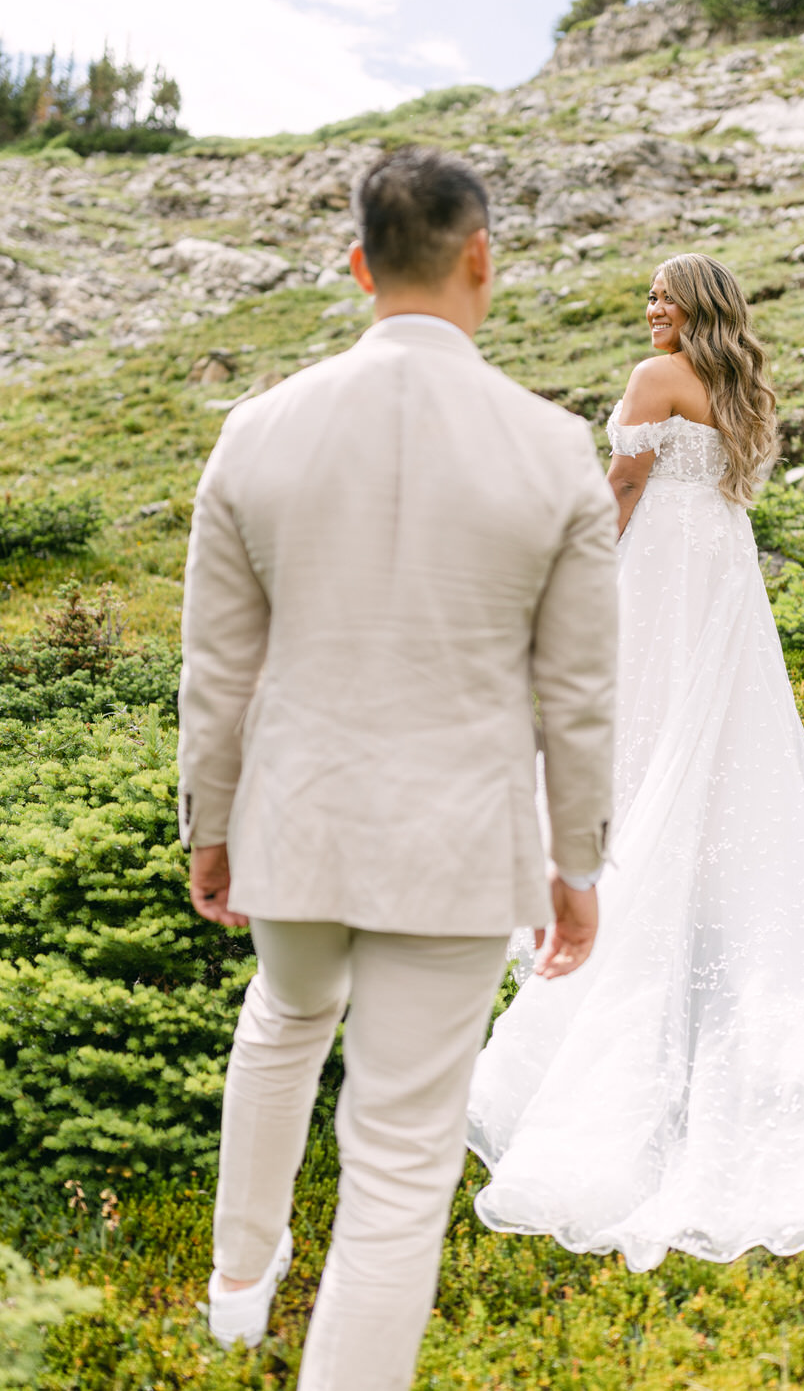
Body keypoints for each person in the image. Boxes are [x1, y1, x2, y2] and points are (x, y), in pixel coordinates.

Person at [177, 145, 619, 1389]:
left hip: (296, 826)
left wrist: (212, 823)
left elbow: (217, 668)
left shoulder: (254, 432)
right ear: (484, 260)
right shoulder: (553, 449)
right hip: (461, 846)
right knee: (400, 1161)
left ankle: (231, 1298)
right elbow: (578, 694)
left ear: (358, 263)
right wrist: (573, 859)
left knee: (280, 1025)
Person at [467, 252, 804, 1268]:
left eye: (662, 294)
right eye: (648, 295)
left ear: (696, 302)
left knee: (635, 718)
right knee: (701, 728)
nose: (649, 306)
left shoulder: (653, 378)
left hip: (660, 564)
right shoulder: (742, 381)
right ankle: (683, 864)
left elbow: (619, 486)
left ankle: (617, 877)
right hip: (717, 564)